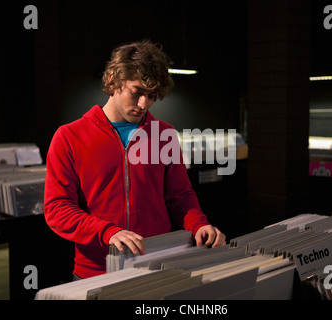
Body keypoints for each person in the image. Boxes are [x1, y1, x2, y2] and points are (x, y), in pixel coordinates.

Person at [44, 40, 226, 279]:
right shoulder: (69, 136)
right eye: (137, 92)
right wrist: (106, 232)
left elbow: (180, 196)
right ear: (112, 81)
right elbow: (57, 209)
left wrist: (198, 224)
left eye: (151, 96)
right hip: (95, 271)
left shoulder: (164, 134)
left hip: (157, 264)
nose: (144, 104)